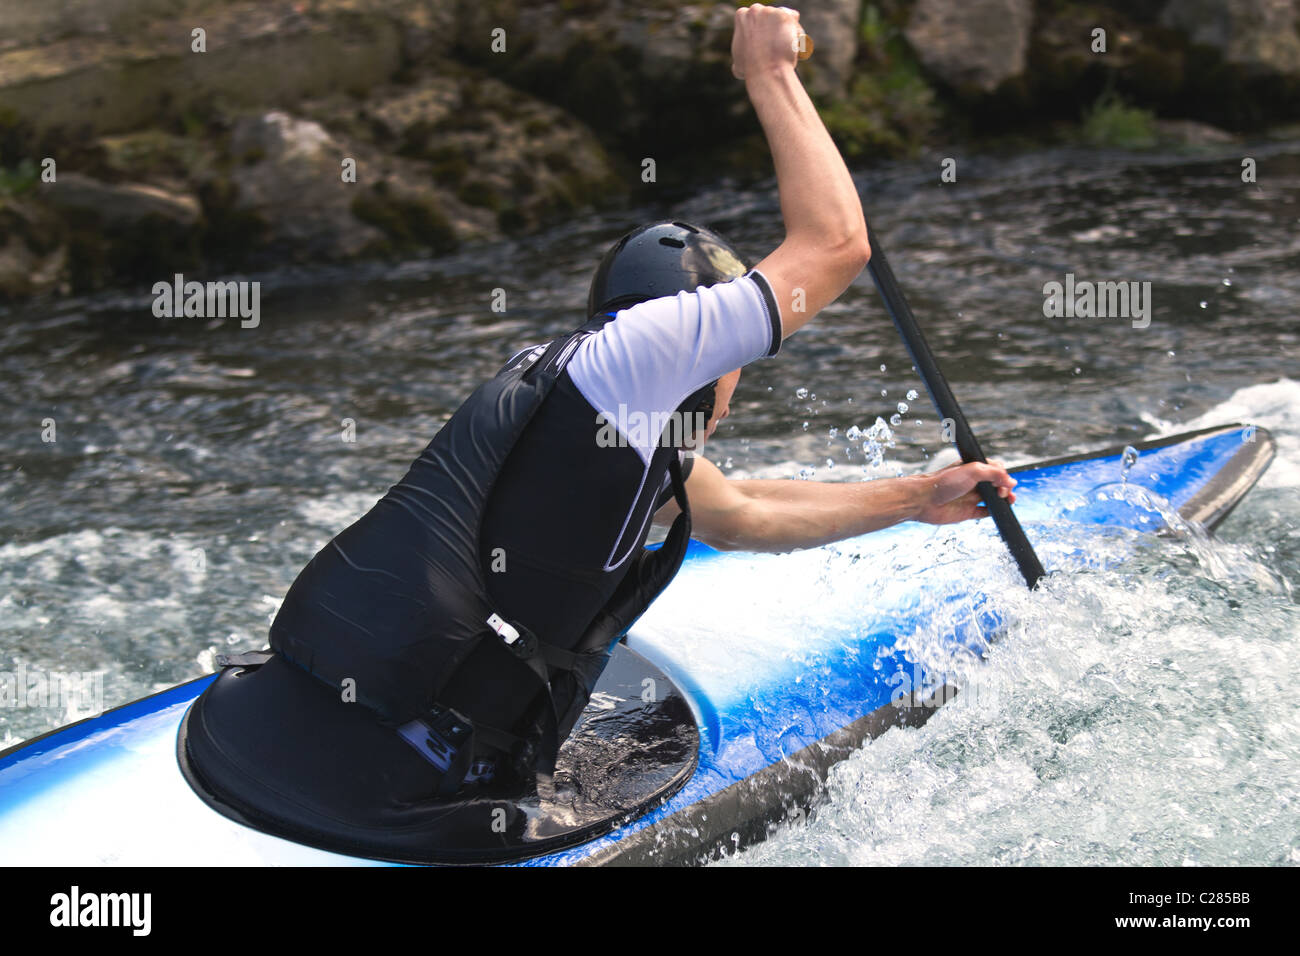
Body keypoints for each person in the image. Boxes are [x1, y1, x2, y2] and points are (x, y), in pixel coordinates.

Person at [261, 4, 1019, 800]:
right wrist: (770, 71)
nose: (734, 392)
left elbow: (739, 512)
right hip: (419, 772)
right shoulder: (644, 354)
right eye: (732, 362)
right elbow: (835, 245)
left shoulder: (577, 389)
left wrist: (917, 497)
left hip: (329, 695)